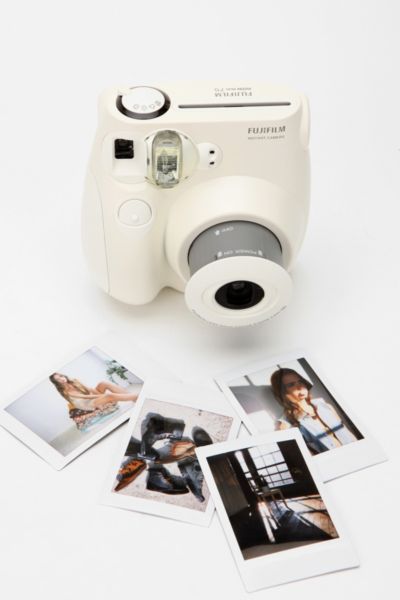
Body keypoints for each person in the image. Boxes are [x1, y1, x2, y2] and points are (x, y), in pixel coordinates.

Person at [270, 368, 357, 454]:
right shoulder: (286, 425)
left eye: (300, 381)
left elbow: (347, 432)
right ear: (282, 392)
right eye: (291, 385)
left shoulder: (324, 405)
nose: (300, 387)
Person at [49, 372, 139, 411]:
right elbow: (86, 397)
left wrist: (100, 395)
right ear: (57, 383)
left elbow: (89, 390)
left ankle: (132, 397)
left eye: (61, 376)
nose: (61, 379)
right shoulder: (66, 391)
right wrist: (104, 397)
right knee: (109, 396)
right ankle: (137, 396)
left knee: (103, 383)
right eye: (58, 379)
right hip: (86, 403)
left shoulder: (74, 380)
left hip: (89, 397)